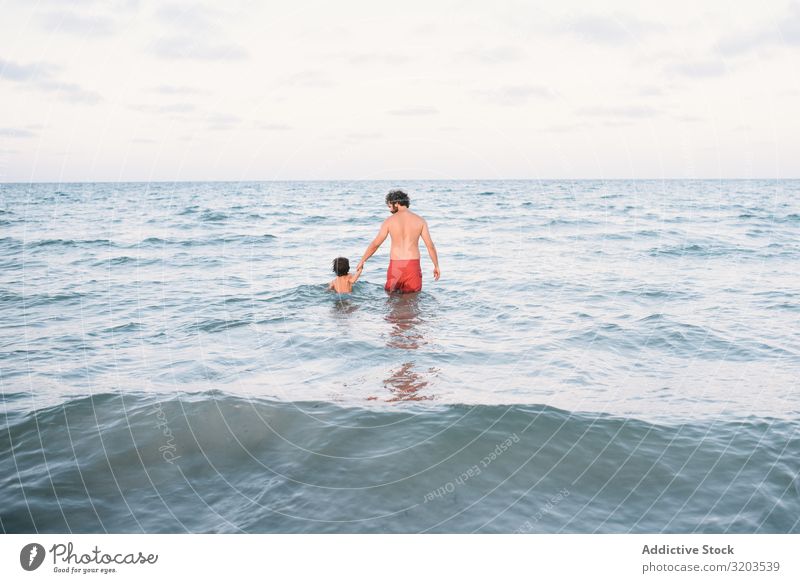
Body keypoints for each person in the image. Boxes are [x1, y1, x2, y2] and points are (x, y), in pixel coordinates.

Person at [356, 190, 440, 293]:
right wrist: (436, 266)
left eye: (390, 206)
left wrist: (362, 260)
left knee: (392, 299)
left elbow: (376, 244)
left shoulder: (389, 221)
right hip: (412, 265)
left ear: (396, 203)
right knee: (412, 299)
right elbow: (430, 245)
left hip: (395, 265)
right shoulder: (420, 220)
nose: (390, 209)